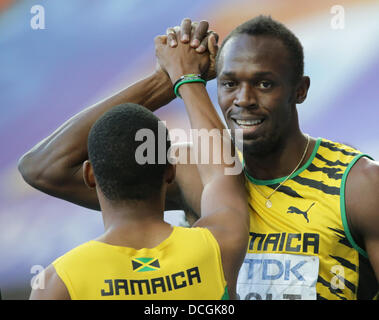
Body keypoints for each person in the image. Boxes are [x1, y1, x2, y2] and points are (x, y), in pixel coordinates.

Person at [19, 16, 379, 300]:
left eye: (264, 84)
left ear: (300, 90)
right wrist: (170, 78)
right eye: (229, 83)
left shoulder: (360, 185)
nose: (244, 99)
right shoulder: (197, 173)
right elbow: (44, 169)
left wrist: (184, 77)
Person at [28, 99, 249, 298]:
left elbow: (33, 168)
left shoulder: (58, 284)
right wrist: (188, 80)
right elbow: (221, 171)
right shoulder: (220, 244)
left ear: (89, 175)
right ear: (171, 171)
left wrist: (166, 78)